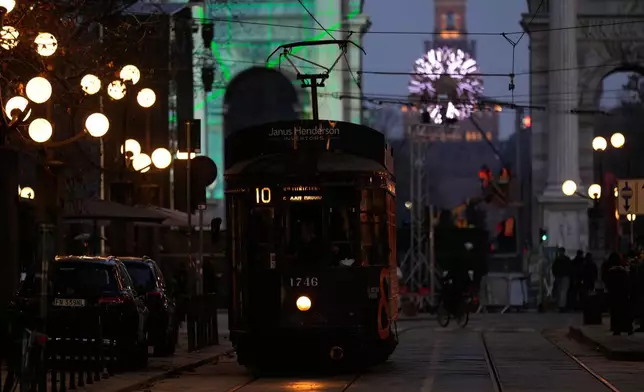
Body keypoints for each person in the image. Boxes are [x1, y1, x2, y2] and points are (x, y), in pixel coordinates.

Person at [605, 254, 633, 335]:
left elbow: (608, 283)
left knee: (615, 312)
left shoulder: (610, 271)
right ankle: (628, 328)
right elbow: (627, 283)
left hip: (614, 295)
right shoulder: (623, 271)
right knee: (625, 312)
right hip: (623, 295)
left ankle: (616, 329)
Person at [552, 247, 572, 312]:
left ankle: (560, 305)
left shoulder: (557, 260)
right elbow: (570, 268)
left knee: (559, 291)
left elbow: (554, 269)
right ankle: (562, 306)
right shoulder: (567, 259)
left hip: (558, 277)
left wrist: (555, 275)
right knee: (564, 292)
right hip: (565, 276)